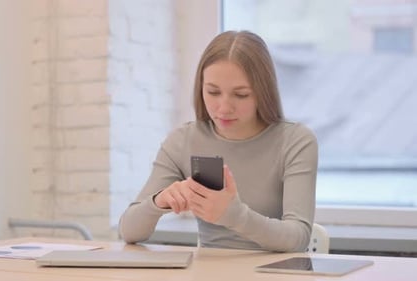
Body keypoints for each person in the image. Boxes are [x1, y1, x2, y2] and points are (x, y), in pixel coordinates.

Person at [118, 30, 318, 252]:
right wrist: (159, 201)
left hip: (275, 272)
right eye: (213, 92)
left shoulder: (296, 142)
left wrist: (235, 216)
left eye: (241, 95)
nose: (223, 108)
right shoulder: (183, 141)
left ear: (264, 92)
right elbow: (128, 231)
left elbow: (297, 238)